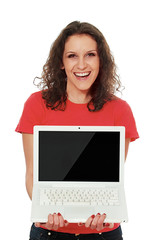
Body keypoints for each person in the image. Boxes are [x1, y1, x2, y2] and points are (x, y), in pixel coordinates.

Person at [16, 21, 139, 240]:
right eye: (72, 55)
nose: (81, 65)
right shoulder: (36, 104)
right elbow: (32, 174)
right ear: (61, 63)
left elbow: (111, 180)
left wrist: (106, 212)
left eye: (90, 54)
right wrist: (45, 211)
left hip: (103, 234)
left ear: (101, 60)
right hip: (49, 232)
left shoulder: (120, 110)